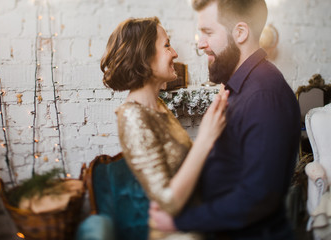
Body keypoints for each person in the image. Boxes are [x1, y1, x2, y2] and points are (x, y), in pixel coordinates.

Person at [149, 0, 301, 239]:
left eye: (208, 32)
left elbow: (257, 197)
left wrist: (180, 220)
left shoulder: (263, 95)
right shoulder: (238, 88)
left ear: (240, 32)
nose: (201, 44)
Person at [100, 17, 229, 240]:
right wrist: (206, 138)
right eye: (167, 45)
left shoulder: (158, 105)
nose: (175, 53)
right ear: (145, 57)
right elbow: (167, 201)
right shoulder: (131, 116)